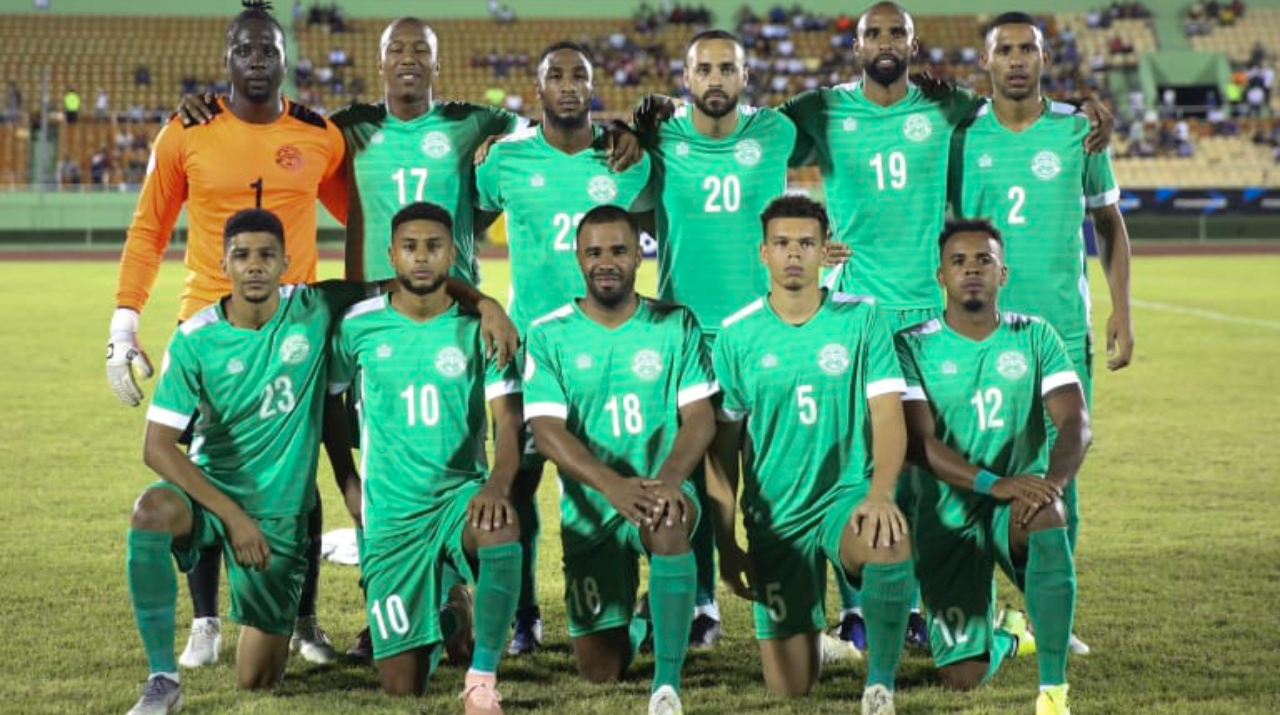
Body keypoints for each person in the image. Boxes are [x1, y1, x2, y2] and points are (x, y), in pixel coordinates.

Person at [105, 0, 351, 670]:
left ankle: (303, 620)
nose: (256, 59)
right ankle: (206, 620)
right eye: (244, 49)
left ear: (285, 56)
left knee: (299, 475)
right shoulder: (185, 132)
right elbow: (149, 228)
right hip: (205, 325)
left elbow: (362, 209)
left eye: (267, 48)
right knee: (207, 468)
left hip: (295, 331)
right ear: (226, 59)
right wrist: (123, 320)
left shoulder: (320, 134)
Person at [123, 208, 374, 715]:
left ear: (285, 262)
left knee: (257, 681)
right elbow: (156, 445)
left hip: (280, 517)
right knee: (149, 512)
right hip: (212, 498)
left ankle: (278, 627)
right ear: (224, 265)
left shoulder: (315, 305)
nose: (254, 266)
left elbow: (411, 285)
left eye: (265, 255)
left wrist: (483, 305)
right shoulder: (196, 336)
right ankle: (162, 679)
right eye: (242, 256)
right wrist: (234, 518)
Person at [950, 11, 1134, 655]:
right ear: (987, 63)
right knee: (972, 473)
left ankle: (1050, 612)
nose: (1018, 59)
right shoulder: (961, 135)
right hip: (979, 337)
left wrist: (1122, 310)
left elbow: (1109, 226)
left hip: (1059, 336)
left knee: (1062, 476)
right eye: (1006, 50)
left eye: (1029, 48)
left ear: (1046, 57)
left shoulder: (1078, 131)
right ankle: (963, 604)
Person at [475, 41, 653, 656]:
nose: (570, 84)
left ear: (595, 83)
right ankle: (525, 613)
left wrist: (634, 128)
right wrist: (483, 303)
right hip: (528, 349)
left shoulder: (625, 159)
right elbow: (466, 223)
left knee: (618, 477)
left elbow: (665, 219)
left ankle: (653, 600)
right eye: (557, 74)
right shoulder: (505, 161)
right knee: (519, 485)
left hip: (606, 351)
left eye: (581, 73)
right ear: (539, 84)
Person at [707, 195, 914, 715]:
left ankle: (879, 685)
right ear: (763, 253)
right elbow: (722, 452)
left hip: (845, 497)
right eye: (782, 243)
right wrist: (726, 542)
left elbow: (889, 415)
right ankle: (816, 636)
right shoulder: (735, 335)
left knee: (887, 540)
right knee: (791, 688)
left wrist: (880, 493)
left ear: (826, 251)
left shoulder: (862, 319)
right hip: (774, 519)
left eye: (805, 243)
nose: (793, 253)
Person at [632, 28, 798, 650]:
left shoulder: (778, 131)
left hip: (766, 332)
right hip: (687, 336)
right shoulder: (660, 139)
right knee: (696, 478)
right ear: (686, 79)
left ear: (746, 76)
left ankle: (784, 597)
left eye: (728, 68)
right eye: (705, 68)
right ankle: (701, 603)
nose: (717, 78)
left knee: (776, 472)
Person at [327, 202, 524, 710]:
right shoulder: (357, 326)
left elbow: (508, 420)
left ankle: (481, 679)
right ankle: (449, 613)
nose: (421, 258)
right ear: (391, 255)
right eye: (410, 247)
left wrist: (496, 487)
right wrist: (347, 479)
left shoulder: (478, 327)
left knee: (500, 526)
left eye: (433, 247)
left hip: (460, 497)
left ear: (452, 254)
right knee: (402, 683)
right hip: (392, 514)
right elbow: (330, 402)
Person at [523, 206, 716, 715]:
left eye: (618, 251)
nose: (606, 262)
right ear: (578, 257)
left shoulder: (674, 323)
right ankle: (641, 619)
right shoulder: (548, 333)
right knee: (599, 669)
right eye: (594, 252)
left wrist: (669, 481)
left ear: (639, 254)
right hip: (593, 509)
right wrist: (611, 487)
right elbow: (545, 430)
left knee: (669, 519)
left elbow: (700, 417)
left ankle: (667, 685)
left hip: (660, 487)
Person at [896, 219, 1090, 715]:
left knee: (1049, 514)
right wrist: (993, 482)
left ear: (1003, 273)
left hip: (1017, 507)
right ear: (940, 275)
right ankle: (1010, 633)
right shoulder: (911, 344)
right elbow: (918, 443)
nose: (971, 270)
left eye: (983, 260)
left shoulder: (1034, 335)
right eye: (958, 262)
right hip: (947, 516)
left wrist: (1053, 484)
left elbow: (1075, 422)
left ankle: (1053, 692)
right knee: (961, 679)